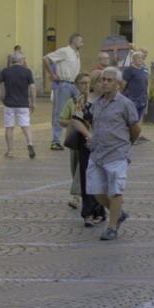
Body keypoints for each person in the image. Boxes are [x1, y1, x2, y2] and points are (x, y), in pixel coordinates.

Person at [86, 67, 141, 241]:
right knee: (95, 190)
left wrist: (126, 145)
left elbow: (135, 128)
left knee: (115, 190)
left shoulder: (125, 104)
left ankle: (112, 227)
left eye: (110, 80)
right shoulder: (97, 103)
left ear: (118, 84)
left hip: (117, 153)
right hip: (97, 152)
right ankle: (118, 214)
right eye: (104, 80)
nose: (105, 83)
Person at [58, 72, 104, 227]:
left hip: (105, 146)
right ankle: (89, 212)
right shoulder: (82, 101)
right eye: (100, 81)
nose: (103, 84)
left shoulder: (110, 100)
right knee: (87, 177)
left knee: (103, 178)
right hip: (87, 145)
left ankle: (100, 210)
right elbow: (75, 120)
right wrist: (89, 136)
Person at [44, 33, 83, 150]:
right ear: (74, 42)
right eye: (81, 41)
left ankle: (76, 137)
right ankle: (55, 140)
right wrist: (51, 73)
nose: (82, 44)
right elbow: (46, 58)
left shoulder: (76, 54)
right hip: (65, 84)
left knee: (78, 111)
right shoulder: (64, 51)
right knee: (60, 112)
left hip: (75, 85)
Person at [0, 51, 37, 159]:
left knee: (9, 127)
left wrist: (1, 97)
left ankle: (10, 151)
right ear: (21, 60)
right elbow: (32, 88)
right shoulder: (27, 71)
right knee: (25, 125)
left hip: (9, 103)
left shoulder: (5, 71)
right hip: (23, 104)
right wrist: (33, 102)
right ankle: (30, 143)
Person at [121, 50, 151, 143]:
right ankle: (130, 137)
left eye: (142, 58)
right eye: (138, 58)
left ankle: (137, 136)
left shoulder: (142, 69)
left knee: (140, 116)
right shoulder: (130, 70)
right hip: (132, 97)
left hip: (142, 98)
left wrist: (147, 91)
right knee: (132, 118)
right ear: (133, 59)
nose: (140, 59)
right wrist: (120, 94)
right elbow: (123, 83)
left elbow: (146, 82)